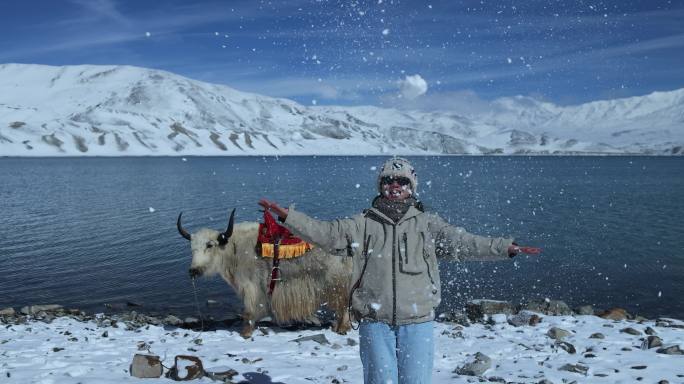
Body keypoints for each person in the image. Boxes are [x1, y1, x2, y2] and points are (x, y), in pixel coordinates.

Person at [259, 157, 540, 384]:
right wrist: (289, 217)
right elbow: (326, 233)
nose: (395, 185)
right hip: (374, 319)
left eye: (402, 180)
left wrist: (505, 247)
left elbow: (465, 243)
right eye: (388, 180)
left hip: (418, 320)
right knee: (380, 380)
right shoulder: (363, 223)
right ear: (380, 185)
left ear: (412, 186)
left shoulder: (428, 224)